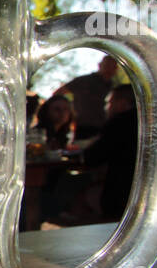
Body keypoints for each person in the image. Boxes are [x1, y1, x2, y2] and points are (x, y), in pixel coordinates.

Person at [83, 85, 138, 221]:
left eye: (109, 102)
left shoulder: (120, 122)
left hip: (122, 197)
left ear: (122, 103)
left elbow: (92, 157)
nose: (107, 107)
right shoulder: (154, 122)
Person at [54, 55, 117, 140]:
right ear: (100, 65)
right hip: (83, 127)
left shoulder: (114, 86)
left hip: (105, 128)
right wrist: (67, 114)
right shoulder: (84, 81)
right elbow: (58, 93)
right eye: (107, 65)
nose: (109, 69)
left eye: (113, 66)